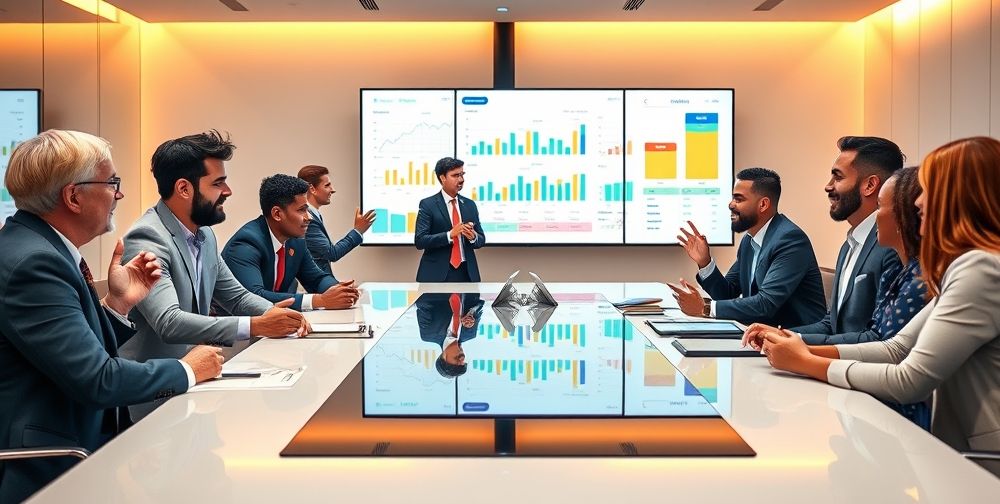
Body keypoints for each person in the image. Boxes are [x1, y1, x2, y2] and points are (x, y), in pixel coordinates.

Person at [746, 136, 1000, 476]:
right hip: (956, 454)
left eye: (930, 189)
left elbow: (910, 379)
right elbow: (896, 348)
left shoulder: (980, 268)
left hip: (979, 462)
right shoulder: (967, 264)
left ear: (961, 198)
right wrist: (800, 349)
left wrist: (808, 363)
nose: (919, 202)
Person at [0, 130, 223, 502]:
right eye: (112, 183)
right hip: (49, 468)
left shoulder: (40, 248)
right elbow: (97, 380)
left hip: (78, 449)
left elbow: (75, 352)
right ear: (73, 196)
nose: (119, 195)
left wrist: (118, 304)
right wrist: (189, 370)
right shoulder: (34, 263)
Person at [120, 130, 308, 418]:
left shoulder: (204, 234)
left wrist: (277, 315)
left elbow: (236, 296)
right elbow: (168, 322)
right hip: (153, 399)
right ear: (184, 188)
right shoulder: (148, 238)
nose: (228, 191)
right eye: (218, 183)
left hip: (197, 386)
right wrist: (256, 326)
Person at [670, 167, 826, 327]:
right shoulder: (749, 241)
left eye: (738, 199)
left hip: (796, 341)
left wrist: (705, 308)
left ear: (763, 204)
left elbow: (766, 304)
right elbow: (727, 294)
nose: (730, 205)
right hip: (759, 335)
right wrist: (705, 262)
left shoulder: (790, 240)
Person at [793, 136, 903, 336]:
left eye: (838, 177)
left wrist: (797, 349)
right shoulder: (849, 246)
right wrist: (783, 336)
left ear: (870, 185)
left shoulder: (892, 248)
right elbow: (832, 324)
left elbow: (880, 339)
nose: (828, 186)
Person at [222, 174, 359, 310]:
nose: (309, 217)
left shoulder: (296, 241)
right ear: (277, 214)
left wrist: (338, 291)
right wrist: (319, 300)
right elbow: (254, 297)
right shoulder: (246, 244)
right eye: (302, 210)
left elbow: (317, 279)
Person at [414, 157, 486, 282]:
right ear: (442, 178)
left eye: (462, 175)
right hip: (436, 274)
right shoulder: (428, 204)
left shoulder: (469, 205)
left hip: (467, 273)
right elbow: (420, 241)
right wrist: (449, 235)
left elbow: (481, 239)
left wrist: (473, 236)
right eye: (455, 175)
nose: (461, 179)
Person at [297, 164, 376, 275]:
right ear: (312, 189)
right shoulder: (308, 220)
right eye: (327, 185)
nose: (333, 190)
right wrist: (358, 231)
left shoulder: (313, 214)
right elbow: (332, 253)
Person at [416, 293, 485, 377]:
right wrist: (471, 313)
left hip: (438, 282)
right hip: (468, 282)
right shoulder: (470, 334)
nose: (462, 358)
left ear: (444, 357)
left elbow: (422, 301)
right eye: (463, 362)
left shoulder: (428, 334)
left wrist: (450, 288)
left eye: (456, 360)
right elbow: (478, 304)